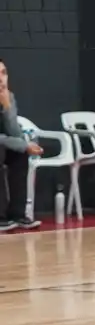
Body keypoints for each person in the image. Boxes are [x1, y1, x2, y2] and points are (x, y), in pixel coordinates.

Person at [0, 58, 42, 231]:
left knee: (19, 154)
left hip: (3, 145)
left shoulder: (8, 96)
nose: (1, 78)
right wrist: (24, 145)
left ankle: (17, 214)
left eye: (3, 73)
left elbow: (15, 133)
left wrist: (7, 107)